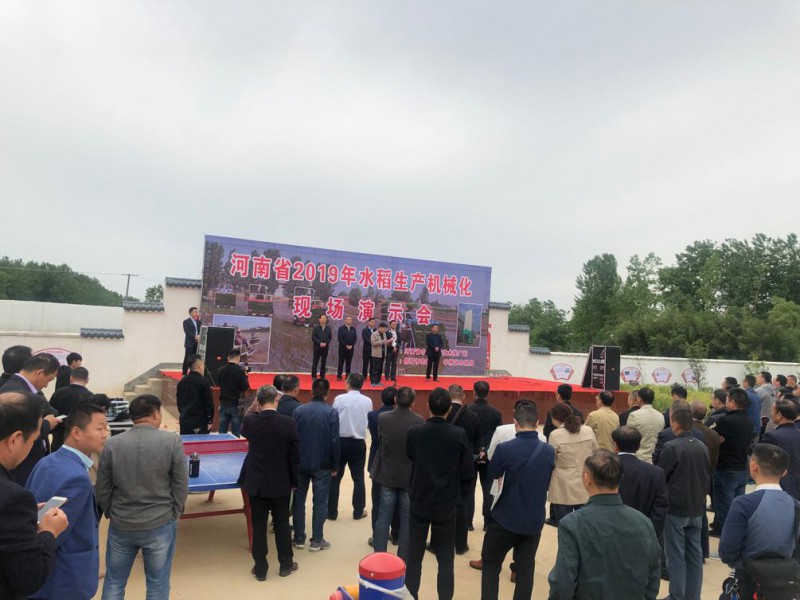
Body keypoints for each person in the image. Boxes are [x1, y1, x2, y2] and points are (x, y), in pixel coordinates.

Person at [97, 395, 188, 600]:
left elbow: (103, 486)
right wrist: (174, 513)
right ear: (155, 414)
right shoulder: (172, 441)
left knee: (115, 582)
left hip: (122, 522)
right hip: (159, 521)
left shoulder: (112, 444)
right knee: (157, 583)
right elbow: (181, 483)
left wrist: (112, 511)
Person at [547, 450, 661, 600]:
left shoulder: (573, 524)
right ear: (621, 478)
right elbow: (653, 575)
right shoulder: (643, 522)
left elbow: (563, 583)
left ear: (586, 478)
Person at [26, 404, 108, 600]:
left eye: (107, 428)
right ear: (76, 432)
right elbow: (56, 533)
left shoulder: (47, 460)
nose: (105, 434)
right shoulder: (77, 478)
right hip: (64, 580)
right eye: (100, 429)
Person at [480, 400, 554, 600]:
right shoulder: (548, 450)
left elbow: (493, 474)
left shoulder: (505, 449)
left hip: (505, 518)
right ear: (537, 423)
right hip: (533, 520)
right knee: (525, 570)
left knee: (491, 565)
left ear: (515, 423)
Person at [405, 387, 474, 600]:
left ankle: (411, 595)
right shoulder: (458, 434)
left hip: (420, 498)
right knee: (445, 557)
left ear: (428, 406)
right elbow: (466, 470)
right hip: (446, 501)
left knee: (414, 555)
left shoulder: (415, 432)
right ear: (448, 410)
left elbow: (410, 455)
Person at [0, 392, 69, 600]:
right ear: (15, 440)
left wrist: (21, 520)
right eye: (33, 440)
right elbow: (29, 578)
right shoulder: (13, 498)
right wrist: (48, 532)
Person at [719, 443, 800, 600]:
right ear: (784, 472)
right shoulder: (795, 505)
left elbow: (727, 551)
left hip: (748, 583)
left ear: (753, 466)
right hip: (784, 585)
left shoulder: (743, 503)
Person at [240, 385, 300, 580]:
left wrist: (255, 406)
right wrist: (294, 481)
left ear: (257, 401)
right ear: (277, 400)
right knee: (282, 524)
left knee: (258, 526)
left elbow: (244, 429)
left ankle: (260, 568)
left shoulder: (250, 421)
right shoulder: (288, 423)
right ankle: (286, 564)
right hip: (280, 482)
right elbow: (294, 456)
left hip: (256, 482)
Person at [658, 408, 711, 600]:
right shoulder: (702, 446)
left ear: (674, 424)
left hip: (676, 508)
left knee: (676, 556)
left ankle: (677, 595)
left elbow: (661, 476)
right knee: (694, 555)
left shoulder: (671, 447)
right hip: (697, 506)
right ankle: (692, 595)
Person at [370, 386, 424, 559]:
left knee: (383, 516)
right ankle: (402, 558)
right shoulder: (419, 421)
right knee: (406, 519)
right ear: (413, 403)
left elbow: (381, 440)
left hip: (387, 474)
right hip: (408, 476)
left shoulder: (383, 418)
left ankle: (379, 555)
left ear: (395, 400)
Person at [292, 378, 340, 552]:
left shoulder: (298, 410)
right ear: (328, 393)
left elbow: (293, 438)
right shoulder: (331, 412)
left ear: (311, 391)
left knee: (299, 500)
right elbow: (334, 441)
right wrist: (335, 465)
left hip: (300, 463)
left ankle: (299, 538)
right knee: (320, 501)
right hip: (323, 464)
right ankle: (317, 539)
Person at [0, 353, 60, 485]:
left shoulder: (20, 388)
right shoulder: (17, 394)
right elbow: (18, 432)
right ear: (40, 372)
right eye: (49, 380)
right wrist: (46, 424)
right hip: (20, 468)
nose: (46, 385)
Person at [708, 387, 754, 537]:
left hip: (725, 468)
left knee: (723, 502)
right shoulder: (749, 421)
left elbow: (708, 431)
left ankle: (721, 530)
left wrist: (716, 437)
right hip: (741, 467)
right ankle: (734, 527)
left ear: (733, 402)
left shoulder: (725, 420)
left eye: (727, 400)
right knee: (737, 502)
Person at [612, 427, 669, 545]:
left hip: (611, 536)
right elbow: (660, 508)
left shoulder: (606, 469)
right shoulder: (655, 472)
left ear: (615, 445)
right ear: (638, 446)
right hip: (645, 536)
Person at [329, 373, 372, 520]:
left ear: (347, 383)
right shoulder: (367, 401)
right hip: (358, 443)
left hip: (340, 442)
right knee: (358, 478)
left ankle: (331, 512)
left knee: (335, 477)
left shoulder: (339, 399)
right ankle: (358, 511)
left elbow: (333, 419)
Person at [445, 383, 482, 552]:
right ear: (464, 396)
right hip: (466, 466)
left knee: (442, 504)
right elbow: (478, 445)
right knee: (463, 505)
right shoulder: (473, 417)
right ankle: (460, 544)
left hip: (445, 465)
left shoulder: (443, 413)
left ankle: (440, 542)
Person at [547, 403, 598, 525]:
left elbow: (551, 460)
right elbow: (596, 452)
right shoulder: (588, 430)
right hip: (585, 480)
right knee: (585, 523)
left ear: (555, 418)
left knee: (564, 524)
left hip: (562, 484)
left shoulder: (555, 435)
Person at [466, 380, 502, 531]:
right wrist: (486, 450)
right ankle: (488, 522)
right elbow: (497, 436)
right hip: (489, 455)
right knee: (488, 490)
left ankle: (468, 523)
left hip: (470, 455)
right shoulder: (496, 413)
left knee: (469, 489)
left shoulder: (466, 411)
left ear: (473, 392)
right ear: (488, 393)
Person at [367, 386, 398, 547]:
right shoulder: (401, 417)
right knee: (398, 499)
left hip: (377, 462)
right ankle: (396, 534)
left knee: (378, 501)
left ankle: (377, 535)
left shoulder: (373, 415)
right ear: (396, 400)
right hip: (396, 462)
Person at [762, 399, 800, 500]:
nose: (770, 414)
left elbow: (759, 452)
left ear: (779, 415)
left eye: (772, 411)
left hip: (779, 483)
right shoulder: (797, 433)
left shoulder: (772, 436)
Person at [49, 366, 93, 451]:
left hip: (59, 439)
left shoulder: (58, 393)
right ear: (87, 380)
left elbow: (50, 413)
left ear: (71, 378)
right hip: (80, 441)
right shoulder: (90, 396)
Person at [175, 354, 214, 434]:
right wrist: (209, 420)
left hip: (185, 420)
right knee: (200, 441)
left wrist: (183, 413)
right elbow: (208, 403)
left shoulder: (182, 382)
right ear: (199, 366)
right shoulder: (204, 382)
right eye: (203, 365)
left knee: (185, 441)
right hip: (200, 421)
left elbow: (179, 402)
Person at [216, 349, 250, 437]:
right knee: (235, 433)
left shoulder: (220, 370)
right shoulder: (240, 372)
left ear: (228, 358)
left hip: (223, 404)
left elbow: (219, 384)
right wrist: (246, 377)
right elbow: (245, 387)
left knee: (221, 433)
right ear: (238, 358)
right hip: (236, 405)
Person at [627, 387, 665, 464]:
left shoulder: (634, 415)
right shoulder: (660, 416)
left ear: (639, 399)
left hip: (638, 458)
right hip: (654, 459)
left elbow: (628, 437)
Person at [740, 375, 763, 443]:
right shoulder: (757, 396)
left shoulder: (744, 395)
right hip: (757, 427)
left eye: (743, 381)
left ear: (746, 383)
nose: (742, 382)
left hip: (747, 428)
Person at [369, 321, 392, 387]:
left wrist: (388, 341)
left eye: (385, 329)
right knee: (375, 368)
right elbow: (373, 343)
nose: (385, 330)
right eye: (384, 329)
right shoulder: (374, 334)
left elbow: (384, 343)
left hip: (383, 353)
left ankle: (378, 381)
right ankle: (373, 382)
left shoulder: (384, 334)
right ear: (380, 327)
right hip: (376, 354)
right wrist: (383, 341)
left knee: (380, 369)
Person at [181, 307, 201, 376]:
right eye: (195, 312)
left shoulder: (198, 322)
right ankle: (184, 373)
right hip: (190, 343)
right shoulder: (186, 322)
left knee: (195, 358)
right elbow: (187, 332)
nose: (197, 313)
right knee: (187, 357)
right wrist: (195, 337)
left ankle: (193, 372)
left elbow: (200, 331)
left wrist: (199, 336)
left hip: (197, 343)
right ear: (190, 313)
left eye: (197, 312)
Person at [311, 314, 332, 379]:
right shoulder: (316, 328)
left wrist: (326, 343)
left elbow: (330, 337)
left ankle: (322, 375)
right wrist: (320, 343)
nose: (324, 319)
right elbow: (313, 337)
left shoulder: (328, 328)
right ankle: (314, 375)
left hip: (325, 348)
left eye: (325, 318)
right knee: (315, 361)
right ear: (319, 319)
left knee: (323, 362)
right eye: (322, 318)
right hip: (317, 348)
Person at [336, 316, 357, 380]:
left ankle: (348, 376)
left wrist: (352, 345)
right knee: (341, 362)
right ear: (345, 320)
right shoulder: (341, 328)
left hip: (351, 349)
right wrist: (346, 345)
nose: (349, 321)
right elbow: (340, 338)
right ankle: (339, 376)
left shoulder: (353, 329)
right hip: (342, 348)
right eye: (348, 319)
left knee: (349, 362)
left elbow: (355, 338)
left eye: (350, 319)